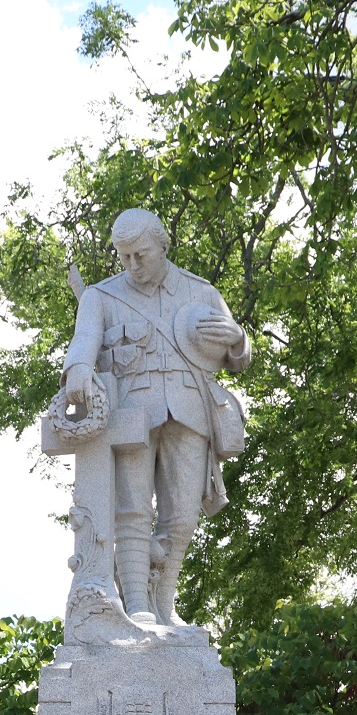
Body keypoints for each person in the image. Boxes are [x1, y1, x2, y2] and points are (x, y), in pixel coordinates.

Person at [61, 208, 250, 628]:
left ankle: (163, 602)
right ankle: (137, 605)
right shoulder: (101, 296)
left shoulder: (200, 291)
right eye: (124, 256)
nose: (132, 265)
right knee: (132, 510)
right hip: (130, 412)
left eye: (141, 254)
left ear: (162, 245)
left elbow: (236, 356)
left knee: (183, 515)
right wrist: (76, 370)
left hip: (190, 410)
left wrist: (238, 340)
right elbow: (84, 342)